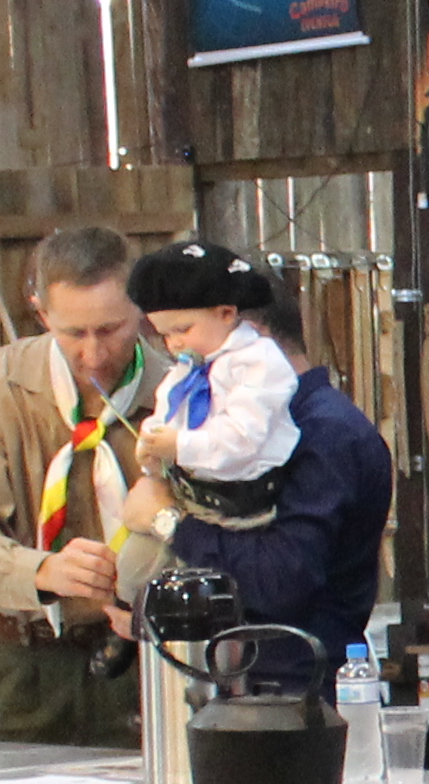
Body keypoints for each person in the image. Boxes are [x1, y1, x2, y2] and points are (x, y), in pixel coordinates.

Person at [109, 241, 389, 668]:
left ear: (241, 332)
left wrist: (168, 521)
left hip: (294, 691)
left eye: (185, 334)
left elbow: (280, 581)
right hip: (231, 683)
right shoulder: (227, 415)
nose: (178, 349)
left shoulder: (324, 434)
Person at [0, 224, 151, 751]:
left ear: (142, 308)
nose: (94, 355)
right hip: (22, 667)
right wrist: (43, 572)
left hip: (144, 665)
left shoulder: (178, 392)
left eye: (112, 329)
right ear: (40, 313)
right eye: (74, 334)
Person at [137, 270, 303, 512]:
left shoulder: (258, 361)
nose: (174, 343)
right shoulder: (186, 371)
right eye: (165, 335)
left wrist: (181, 445)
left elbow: (243, 437)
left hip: (248, 500)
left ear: (226, 314)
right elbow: (168, 411)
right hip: (192, 493)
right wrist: (151, 443)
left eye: (183, 330)